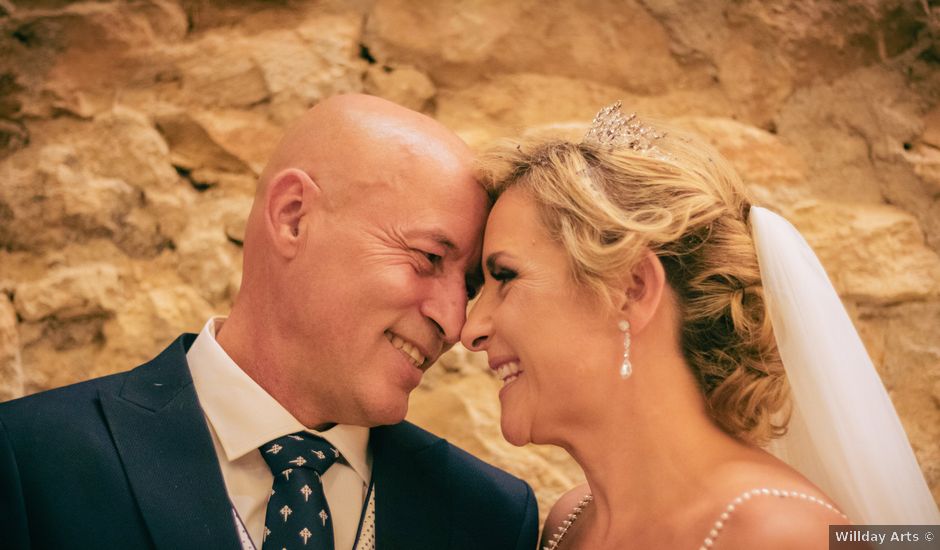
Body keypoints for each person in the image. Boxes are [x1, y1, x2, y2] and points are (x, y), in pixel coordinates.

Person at [0, 94, 538, 550]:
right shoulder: (30, 461)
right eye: (426, 257)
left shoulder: (487, 519)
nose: (452, 321)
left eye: (467, 288)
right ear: (293, 217)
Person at [461, 102, 940, 549]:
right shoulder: (569, 521)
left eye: (505, 277)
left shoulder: (783, 534)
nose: (471, 330)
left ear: (632, 288)